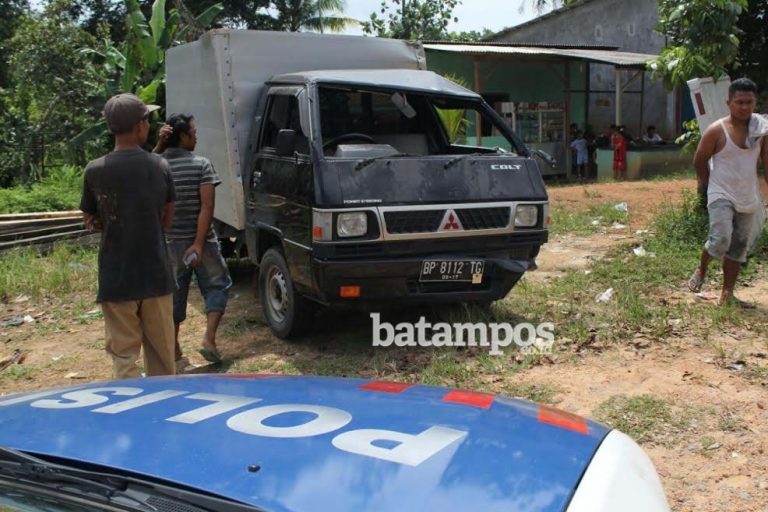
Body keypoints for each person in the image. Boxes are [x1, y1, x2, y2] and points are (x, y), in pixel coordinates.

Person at [80, 93, 177, 378]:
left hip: (116, 276)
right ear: (140, 126)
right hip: (155, 274)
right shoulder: (159, 166)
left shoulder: (94, 170)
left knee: (124, 360)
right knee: (162, 359)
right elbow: (167, 220)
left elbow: (90, 220)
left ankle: (131, 413)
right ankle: (165, 416)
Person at [153, 113, 232, 369]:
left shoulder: (158, 165)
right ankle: (209, 339)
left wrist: (158, 146)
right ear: (183, 136)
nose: (196, 136)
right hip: (202, 242)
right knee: (217, 285)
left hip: (171, 244)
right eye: (193, 132)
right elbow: (207, 207)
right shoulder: (202, 164)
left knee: (174, 295)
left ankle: (174, 351)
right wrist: (198, 243)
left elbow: (147, 169)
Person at [687, 78, 768, 307]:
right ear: (729, 103)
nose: (744, 107)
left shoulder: (760, 131)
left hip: (747, 196)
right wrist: (711, 186)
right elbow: (699, 160)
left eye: (749, 102)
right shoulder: (717, 130)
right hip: (721, 193)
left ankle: (727, 295)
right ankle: (702, 269)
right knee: (721, 238)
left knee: (738, 248)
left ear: (755, 103)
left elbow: (766, 161)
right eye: (739, 102)